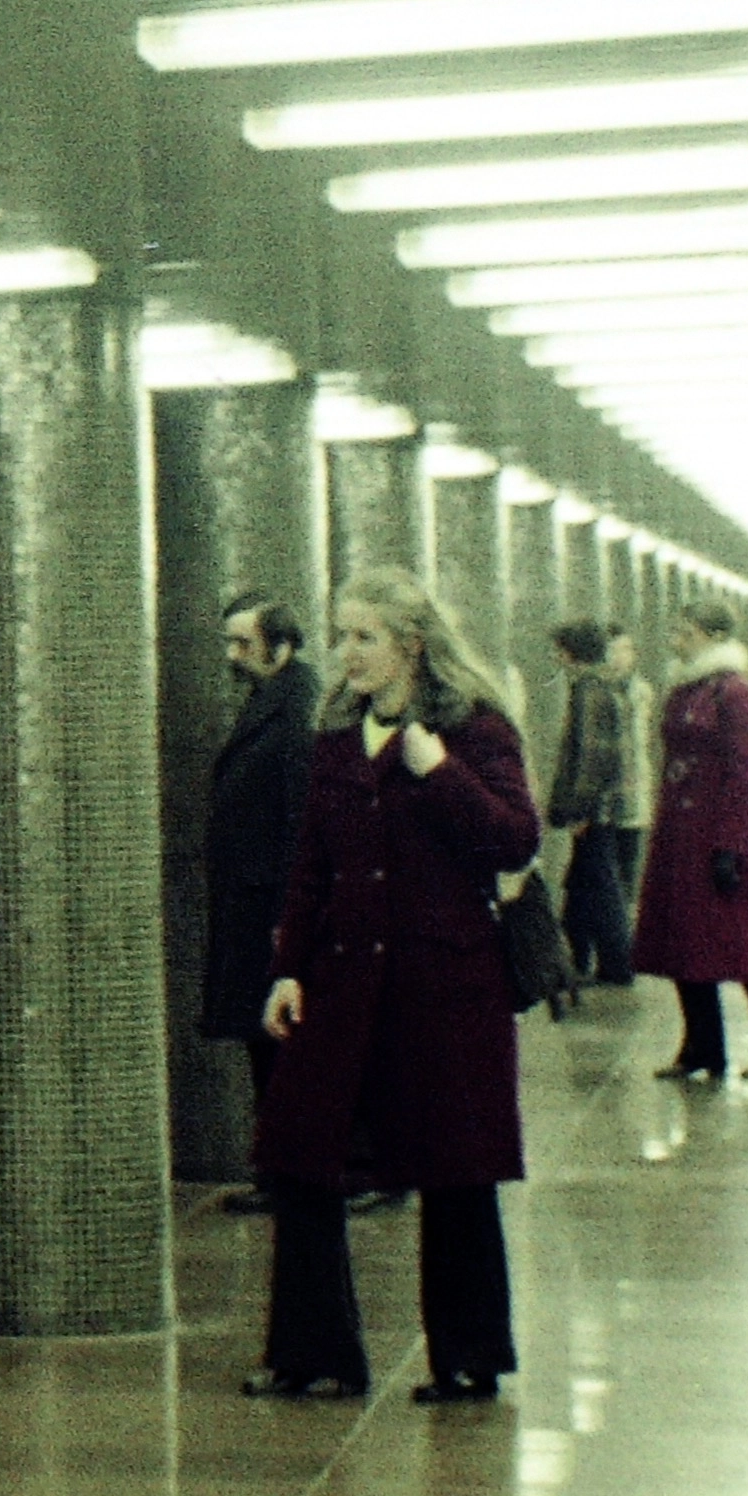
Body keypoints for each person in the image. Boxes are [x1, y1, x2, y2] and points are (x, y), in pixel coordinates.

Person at [249, 571, 543, 1405]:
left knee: (456, 1169)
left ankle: (469, 1356)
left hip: (444, 981)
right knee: (301, 1158)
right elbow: (310, 865)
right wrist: (287, 970)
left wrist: (440, 769)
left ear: (410, 644)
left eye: (362, 637)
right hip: (342, 979)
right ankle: (312, 1353)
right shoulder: (337, 736)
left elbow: (515, 839)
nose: (345, 654)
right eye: (341, 636)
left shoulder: (475, 730)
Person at [636, 602, 748, 1084]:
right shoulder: (686, 687)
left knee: (744, 937)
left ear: (714, 636)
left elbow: (745, 767)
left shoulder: (735, 691)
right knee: (685, 940)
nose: (676, 640)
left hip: (716, 831)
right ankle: (702, 1047)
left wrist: (730, 840)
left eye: (686, 633)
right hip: (679, 832)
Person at [200, 599, 317, 1211]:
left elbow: (301, 819)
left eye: (243, 644)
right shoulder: (276, 698)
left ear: (281, 645)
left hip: (269, 900)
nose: (233, 656)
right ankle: (282, 1168)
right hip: (256, 895)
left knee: (279, 1042)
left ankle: (288, 1173)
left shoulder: (296, 710)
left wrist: (289, 918)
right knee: (266, 1040)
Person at [544, 620, 647, 992]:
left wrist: (578, 809)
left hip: (596, 809)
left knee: (602, 884)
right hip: (604, 805)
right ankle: (581, 960)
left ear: (571, 651)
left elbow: (590, 756)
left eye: (558, 648)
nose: (555, 655)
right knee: (584, 882)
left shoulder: (588, 689)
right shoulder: (603, 685)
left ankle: (618, 963)